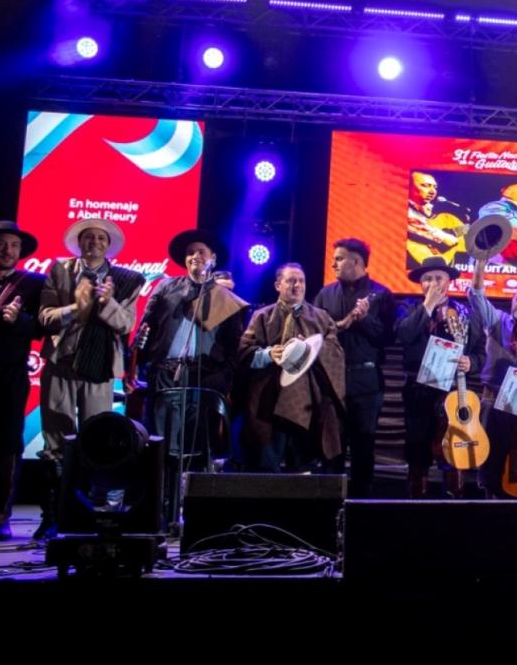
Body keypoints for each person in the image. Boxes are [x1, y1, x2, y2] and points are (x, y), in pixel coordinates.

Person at [38, 218, 144, 539]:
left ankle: (89, 513)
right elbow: (45, 317)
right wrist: (77, 306)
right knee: (56, 441)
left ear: (108, 245)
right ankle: (54, 514)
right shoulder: (60, 270)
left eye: (101, 238)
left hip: (100, 367)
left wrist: (107, 303)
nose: (94, 242)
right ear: (79, 243)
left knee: (96, 441)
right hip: (62, 362)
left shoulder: (127, 279)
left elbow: (126, 324)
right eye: (89, 237)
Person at [136, 229, 248, 523]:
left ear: (213, 258)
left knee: (197, 446)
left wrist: (222, 379)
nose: (195, 256)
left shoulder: (225, 297)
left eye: (201, 252)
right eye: (190, 253)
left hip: (203, 376)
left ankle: (193, 513)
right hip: (166, 373)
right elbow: (147, 328)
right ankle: (160, 511)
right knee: (162, 445)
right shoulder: (167, 288)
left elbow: (234, 347)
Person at [237, 263, 345, 473]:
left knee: (302, 469)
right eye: (291, 281)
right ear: (278, 285)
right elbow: (243, 353)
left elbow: (336, 353)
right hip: (268, 400)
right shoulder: (262, 316)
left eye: (301, 281)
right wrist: (269, 354)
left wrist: (312, 349)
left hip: (308, 402)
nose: (297, 286)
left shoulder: (321, 318)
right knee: (266, 467)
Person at [468, 256, 517, 530]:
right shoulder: (497, 321)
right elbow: (476, 296)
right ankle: (494, 513)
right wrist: (480, 265)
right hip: (494, 399)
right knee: (493, 455)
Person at [395, 256, 484, 498]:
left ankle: (454, 504)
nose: (433, 284)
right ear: (420, 283)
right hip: (418, 391)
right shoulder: (407, 308)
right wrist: (428, 304)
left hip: (452, 391)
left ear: (449, 282)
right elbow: (404, 335)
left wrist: (471, 362)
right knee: (418, 452)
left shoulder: (466, 313)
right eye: (427, 279)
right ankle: (416, 504)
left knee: (453, 450)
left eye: (439, 278)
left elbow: (480, 352)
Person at [314, 238, 395, 498]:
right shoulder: (325, 294)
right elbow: (315, 334)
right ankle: (329, 507)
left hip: (366, 383)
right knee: (331, 447)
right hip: (332, 381)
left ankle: (361, 509)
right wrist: (344, 323)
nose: (333, 264)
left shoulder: (381, 294)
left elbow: (389, 338)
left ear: (357, 261)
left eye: (339, 259)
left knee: (363, 449)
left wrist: (366, 319)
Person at [0, 221, 44, 540]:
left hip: (10, 374)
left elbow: (43, 328)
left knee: (8, 444)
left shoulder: (33, 283)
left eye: (14, 245)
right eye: (1, 244)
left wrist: (19, 320)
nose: (8, 250)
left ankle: (1, 515)